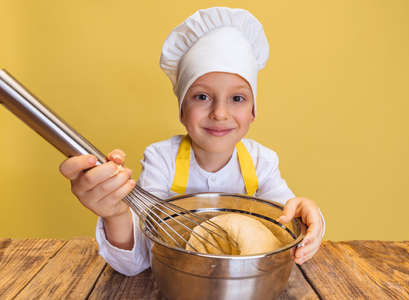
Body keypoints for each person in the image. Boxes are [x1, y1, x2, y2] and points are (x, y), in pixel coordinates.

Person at [59, 7, 325, 276]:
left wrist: (309, 217)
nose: (220, 113)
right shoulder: (162, 160)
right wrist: (115, 215)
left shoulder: (262, 162)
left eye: (237, 98)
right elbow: (138, 260)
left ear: (253, 112)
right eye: (201, 97)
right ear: (181, 110)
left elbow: (288, 222)